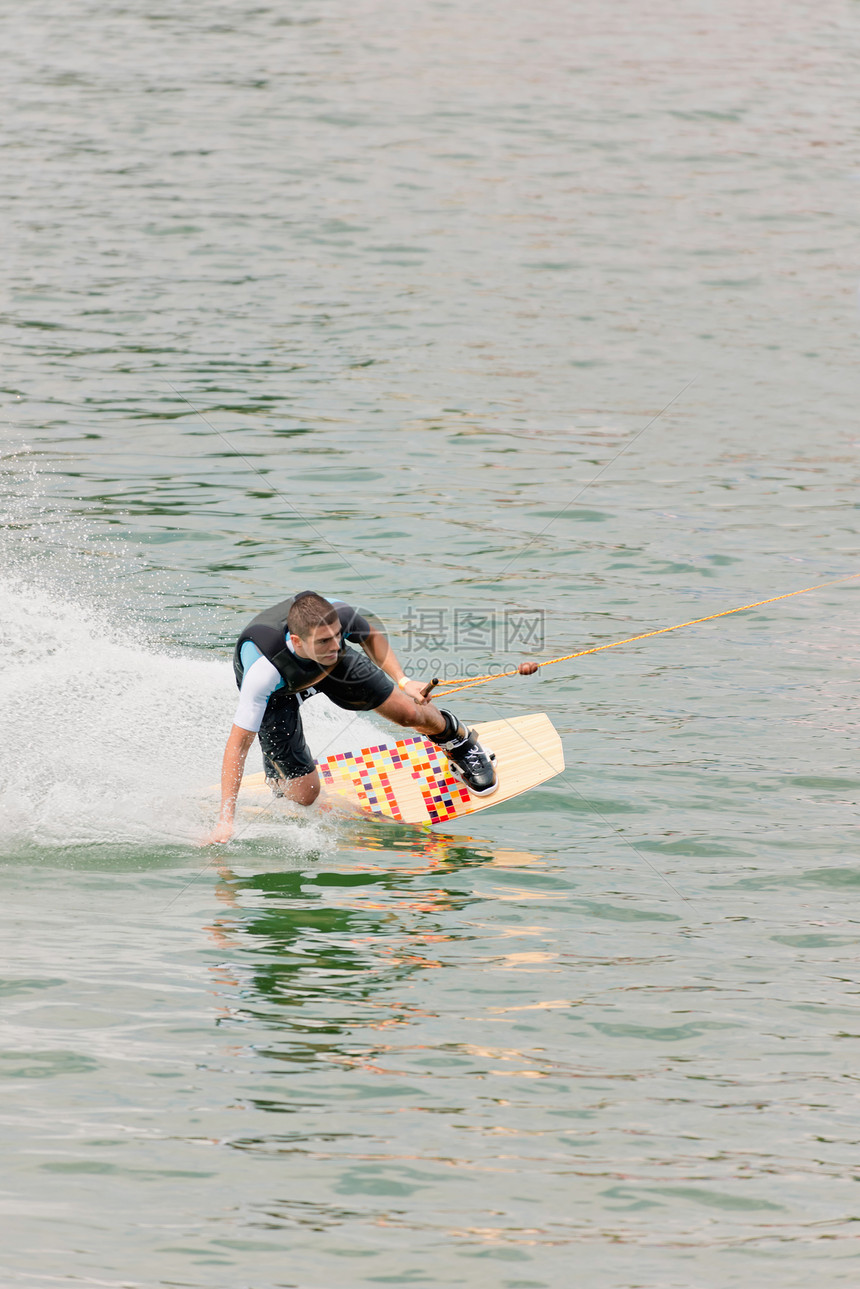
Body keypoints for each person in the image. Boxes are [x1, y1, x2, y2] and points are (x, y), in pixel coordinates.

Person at [203, 590, 497, 844]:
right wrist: (225, 819)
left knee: (408, 712)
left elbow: (370, 636)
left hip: (327, 669)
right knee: (305, 796)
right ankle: (280, 774)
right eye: (323, 641)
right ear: (297, 641)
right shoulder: (262, 673)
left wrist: (403, 681)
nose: (334, 646)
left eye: (337, 636)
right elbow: (238, 746)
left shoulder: (338, 627)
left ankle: (460, 743)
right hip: (280, 693)